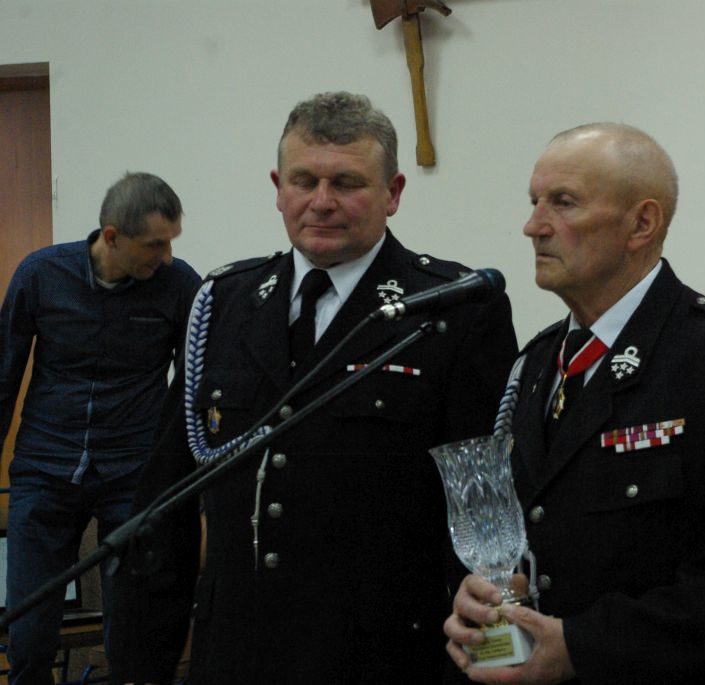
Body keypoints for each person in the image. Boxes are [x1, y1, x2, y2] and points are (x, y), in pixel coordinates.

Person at [110, 91, 518, 684]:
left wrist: (487, 661)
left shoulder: (454, 311)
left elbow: (484, 516)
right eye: (304, 181)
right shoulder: (224, 302)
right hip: (236, 656)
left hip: (382, 657)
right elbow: (164, 506)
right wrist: (140, 668)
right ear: (279, 188)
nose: (321, 202)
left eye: (347, 183)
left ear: (393, 192)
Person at [444, 123, 705, 684]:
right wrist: (491, 599)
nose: (533, 226)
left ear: (642, 224)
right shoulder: (536, 363)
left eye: (564, 202)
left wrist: (583, 647)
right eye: (534, 202)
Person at [0, 172, 200, 685]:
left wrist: (182, 475)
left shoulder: (180, 286)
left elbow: (195, 387)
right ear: (112, 236)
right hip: (45, 470)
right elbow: (3, 376)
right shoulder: (40, 274)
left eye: (171, 242)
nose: (167, 257)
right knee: (28, 634)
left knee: (132, 635)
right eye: (155, 244)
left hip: (133, 476)